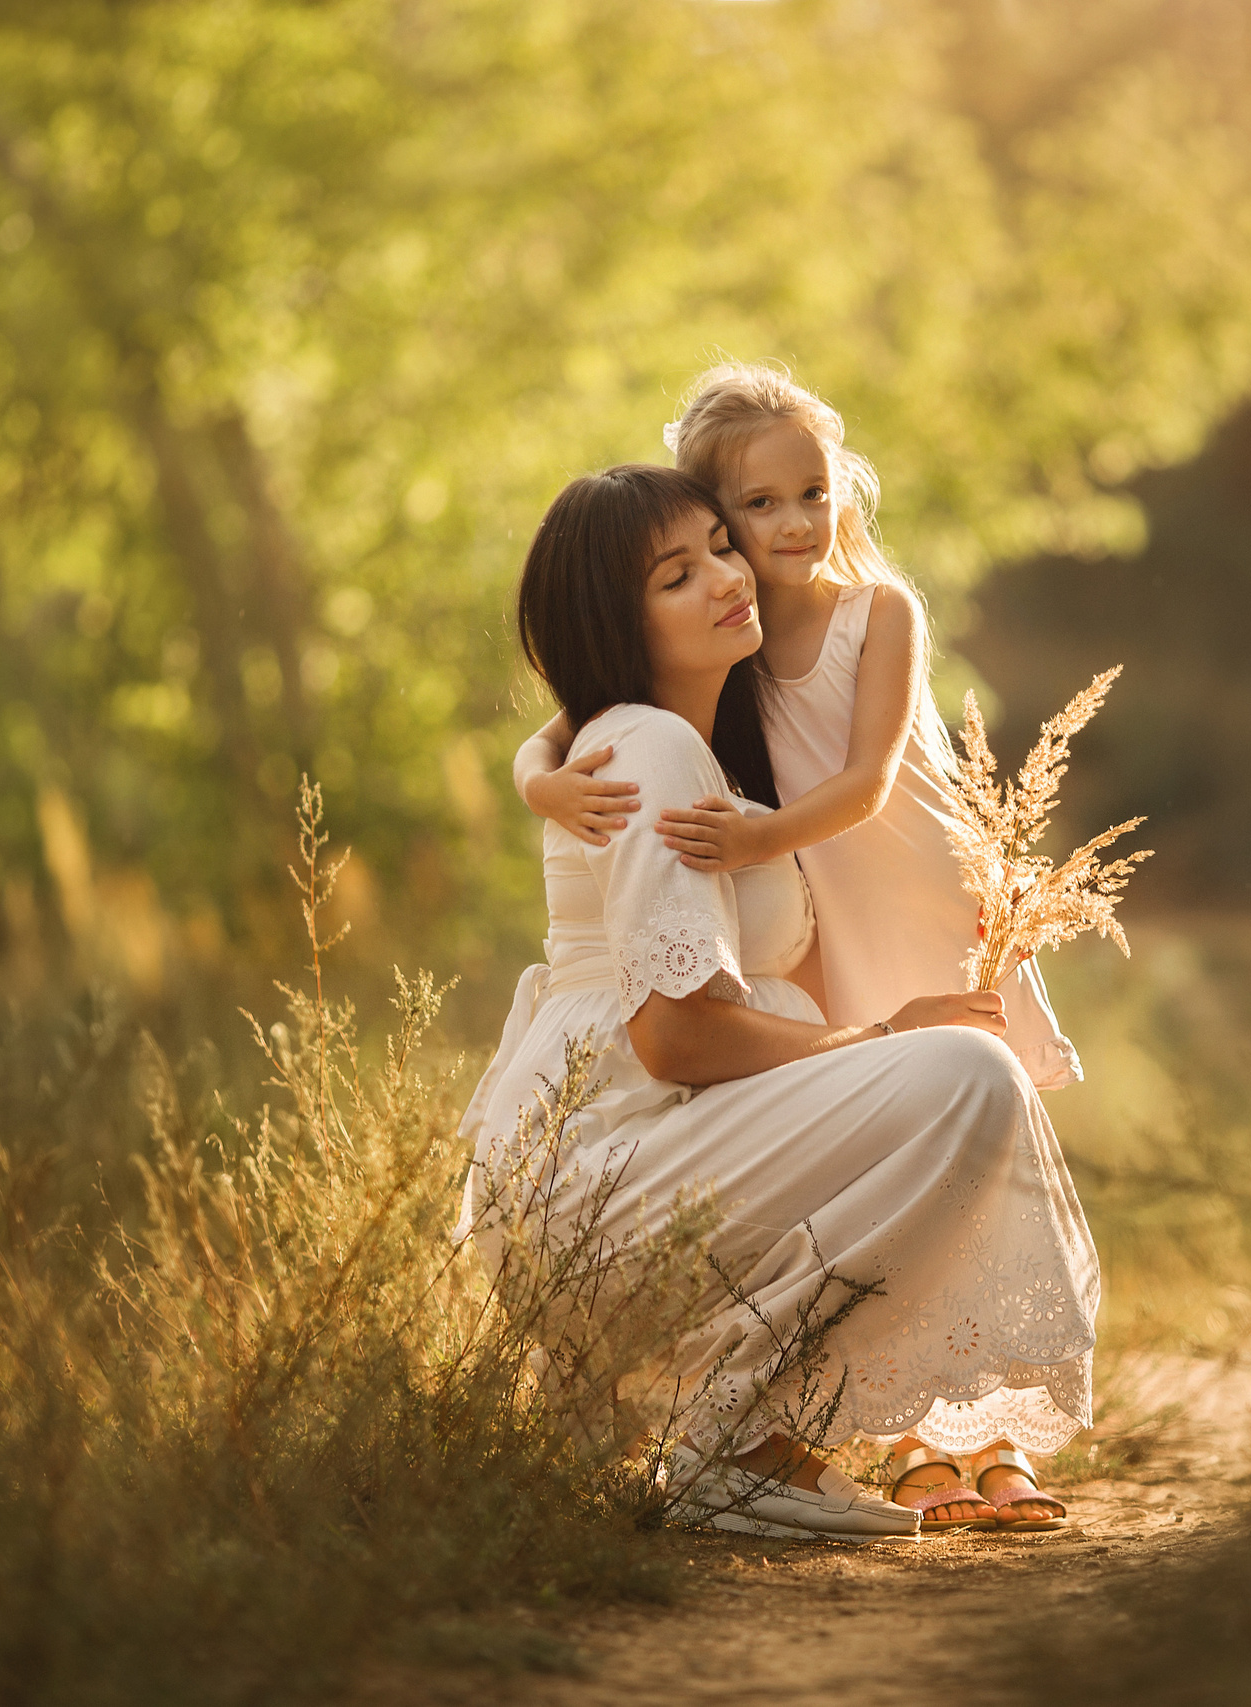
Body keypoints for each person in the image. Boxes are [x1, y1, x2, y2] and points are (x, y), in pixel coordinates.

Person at [462, 464, 1098, 1539]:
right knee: (961, 1074)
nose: (726, 576)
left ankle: (748, 1425)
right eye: (677, 574)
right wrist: (886, 1036)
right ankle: (724, 1432)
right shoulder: (649, 748)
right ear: (613, 622)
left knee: (950, 1073)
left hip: (634, 1150)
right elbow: (674, 1035)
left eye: (722, 544)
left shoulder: (684, 753)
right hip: (599, 1167)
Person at [513, 365, 1081, 1095]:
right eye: (761, 503)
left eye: (814, 494)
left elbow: (869, 783)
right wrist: (543, 789)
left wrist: (754, 841)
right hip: (825, 890)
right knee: (876, 1065)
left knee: (974, 1067)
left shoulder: (877, 612)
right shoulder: (722, 638)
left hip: (912, 871)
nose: (795, 522)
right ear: (714, 511)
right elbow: (553, 734)